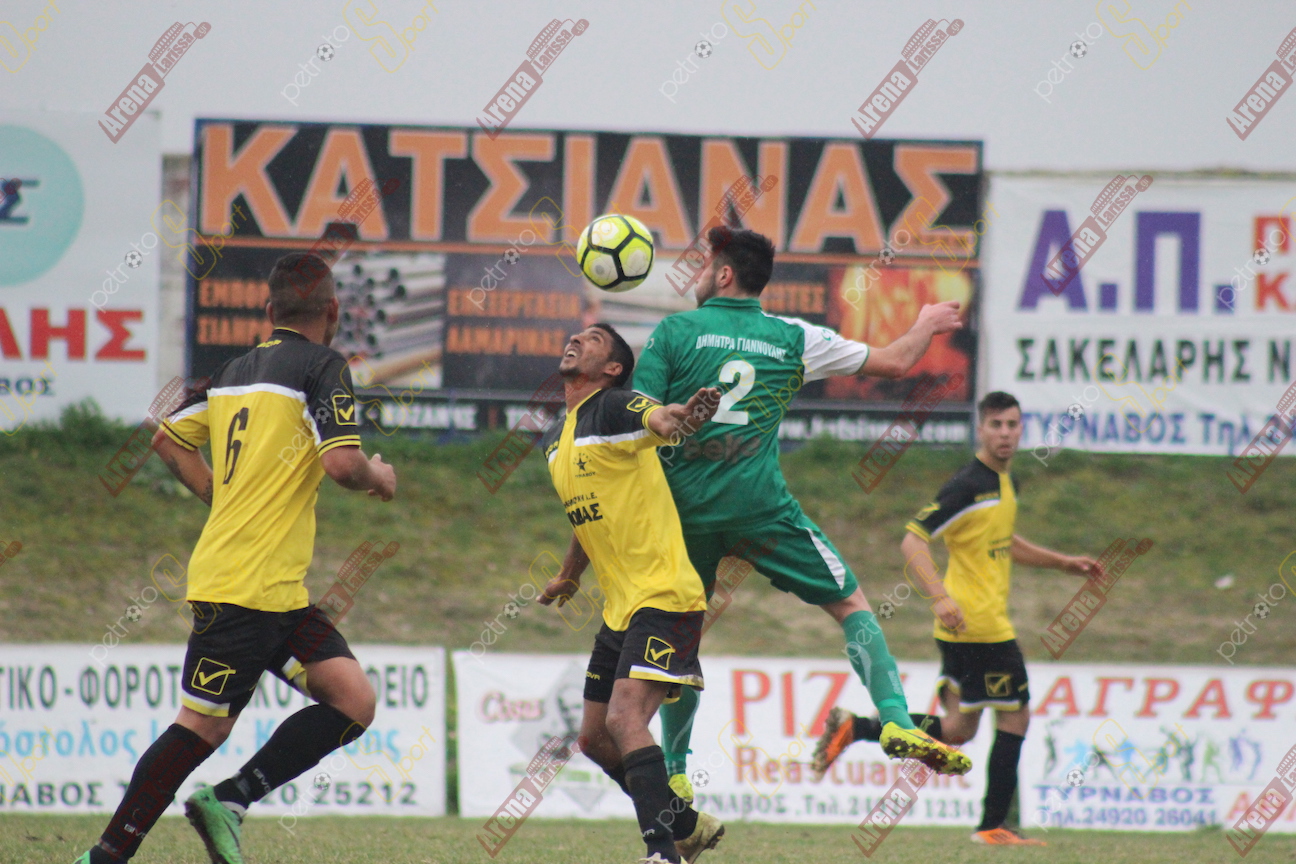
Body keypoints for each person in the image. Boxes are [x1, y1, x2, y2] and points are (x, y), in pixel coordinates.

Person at [556, 226, 973, 802]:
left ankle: (675, 768)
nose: (700, 274)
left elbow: (641, 420)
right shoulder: (793, 337)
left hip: (681, 517)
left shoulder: (674, 332)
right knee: (850, 603)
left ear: (724, 274)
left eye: (707, 265)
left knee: (681, 643)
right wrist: (925, 322)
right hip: (760, 507)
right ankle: (897, 720)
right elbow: (897, 362)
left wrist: (574, 565)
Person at [75, 252, 397, 864]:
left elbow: (168, 438)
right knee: (203, 726)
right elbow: (341, 463)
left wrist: (220, 499)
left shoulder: (232, 372)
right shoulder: (324, 365)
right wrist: (378, 478)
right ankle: (106, 856)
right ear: (333, 310)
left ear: (269, 310)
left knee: (352, 699)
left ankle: (230, 800)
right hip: (243, 589)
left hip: (279, 592)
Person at [811, 391, 1107, 846]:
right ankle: (993, 826)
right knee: (1016, 717)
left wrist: (1064, 562)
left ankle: (858, 728)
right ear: (980, 429)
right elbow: (913, 540)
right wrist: (940, 597)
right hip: (979, 626)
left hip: (970, 628)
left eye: (1012, 424)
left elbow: (1004, 541)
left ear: (1021, 429)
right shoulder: (968, 485)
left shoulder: (1006, 483)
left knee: (958, 729)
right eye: (996, 425)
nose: (1005, 434)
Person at [535, 323, 723, 864]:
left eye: (594, 339)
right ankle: (685, 824)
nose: (577, 339)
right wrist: (570, 574)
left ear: (613, 368)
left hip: (665, 595)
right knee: (595, 739)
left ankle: (662, 852)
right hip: (622, 608)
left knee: (624, 719)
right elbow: (587, 510)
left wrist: (682, 416)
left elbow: (660, 418)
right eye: (577, 335)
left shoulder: (615, 405)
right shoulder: (557, 438)